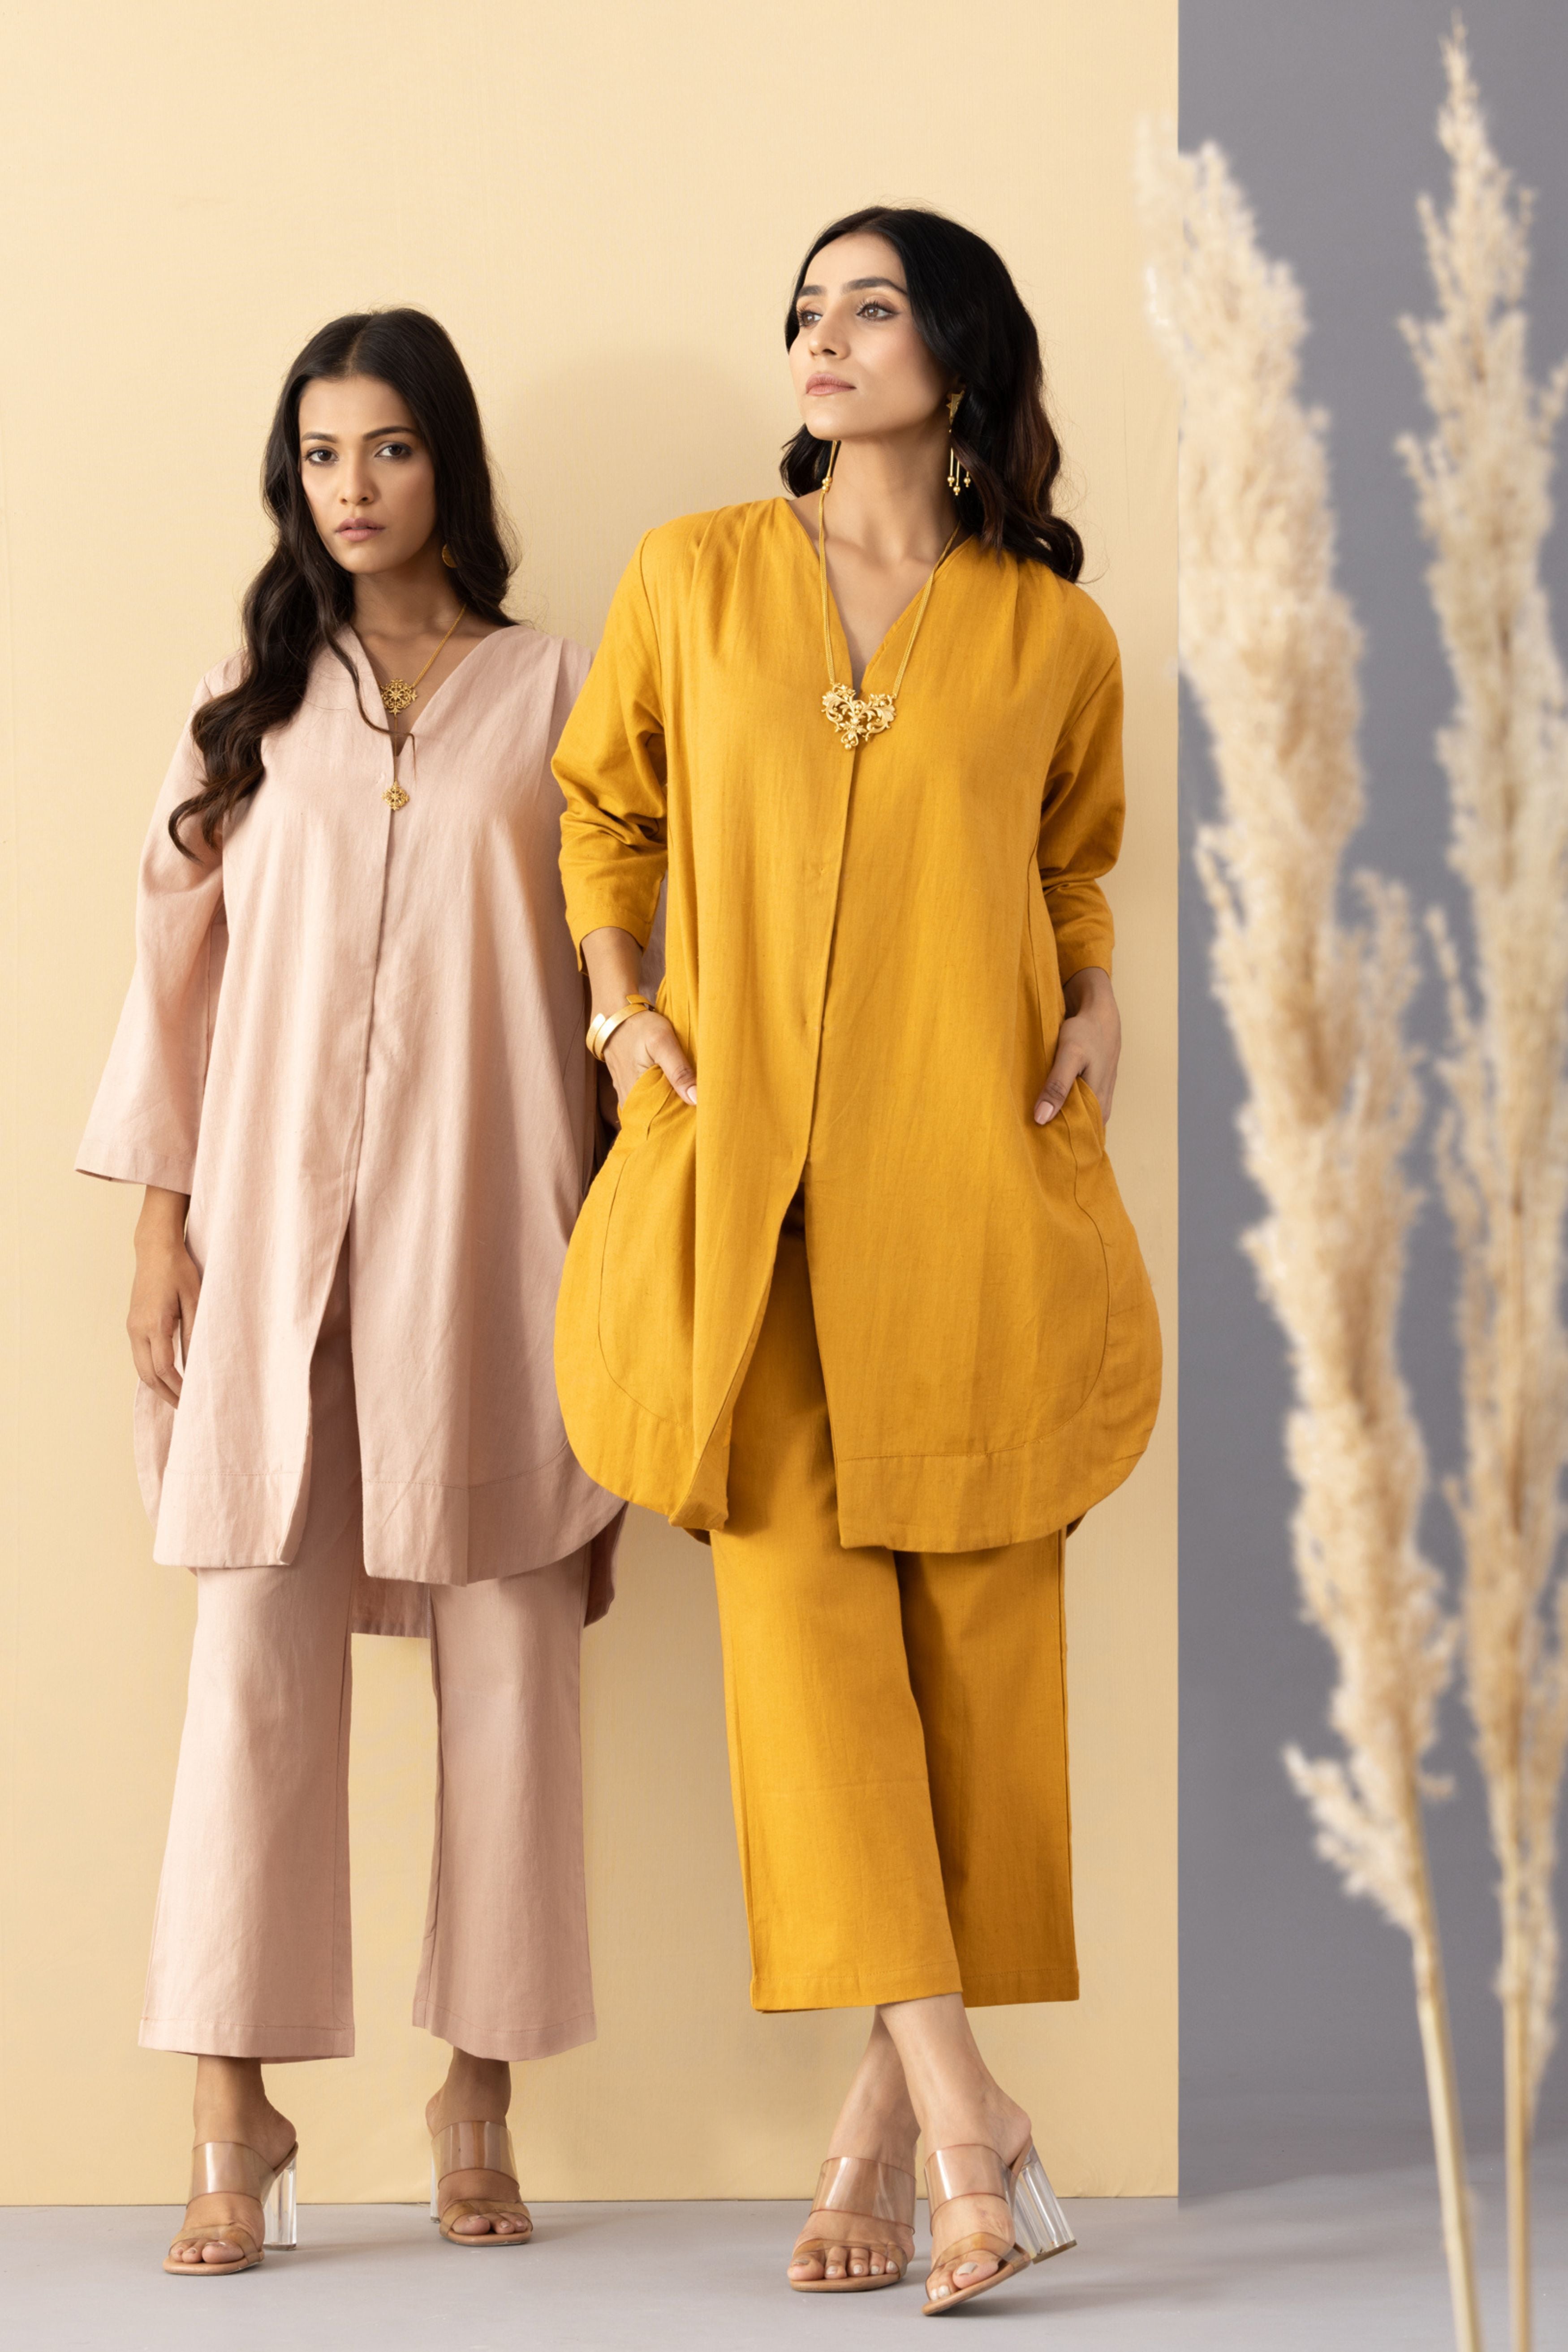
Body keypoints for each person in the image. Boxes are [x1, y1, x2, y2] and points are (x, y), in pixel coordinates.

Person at [551, 206, 1161, 2315]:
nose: (821, 334)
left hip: (973, 1193)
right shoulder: (695, 574)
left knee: (974, 1659)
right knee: (806, 1656)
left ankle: (875, 2133)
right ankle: (973, 2129)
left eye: (868, 306)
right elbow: (604, 812)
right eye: (805, 306)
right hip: (750, 1210)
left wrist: (1097, 1002)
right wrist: (622, 1015)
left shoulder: (1050, 633)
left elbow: (1069, 860)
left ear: (955, 353)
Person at [78, 308, 622, 2276]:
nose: (352, 487)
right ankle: (230, 2104)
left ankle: (477, 2091)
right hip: (269, 1237)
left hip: (498, 1238)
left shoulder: (558, 691)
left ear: (444, 460)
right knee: (251, 1666)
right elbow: (174, 966)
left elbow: (624, 965)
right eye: (320, 454)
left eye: (386, 447)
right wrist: (161, 1223)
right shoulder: (253, 694)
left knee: (510, 1666)